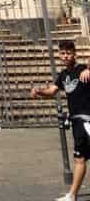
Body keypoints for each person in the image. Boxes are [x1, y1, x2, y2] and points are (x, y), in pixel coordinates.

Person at [30, 40, 90, 201]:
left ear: (74, 54)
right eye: (62, 53)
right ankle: (72, 195)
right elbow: (52, 90)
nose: (65, 56)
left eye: (68, 53)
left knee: (80, 158)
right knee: (79, 158)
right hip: (77, 122)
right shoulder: (63, 76)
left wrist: (89, 69)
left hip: (88, 120)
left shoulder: (83, 70)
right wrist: (39, 91)